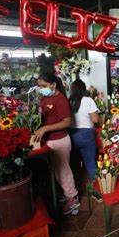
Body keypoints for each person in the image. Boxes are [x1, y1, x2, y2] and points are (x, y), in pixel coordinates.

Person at [33, 72, 80, 215]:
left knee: (63, 171)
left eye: (44, 86)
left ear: (53, 84)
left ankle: (73, 199)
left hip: (59, 140)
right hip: (48, 140)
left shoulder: (61, 100)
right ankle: (65, 194)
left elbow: (67, 122)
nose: (41, 88)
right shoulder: (45, 98)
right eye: (39, 86)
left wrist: (45, 128)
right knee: (56, 171)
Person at [68, 79, 102, 202]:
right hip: (87, 135)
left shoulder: (69, 101)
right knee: (91, 164)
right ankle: (97, 193)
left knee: (74, 166)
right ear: (84, 89)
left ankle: (74, 193)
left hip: (72, 135)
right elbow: (95, 120)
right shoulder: (88, 100)